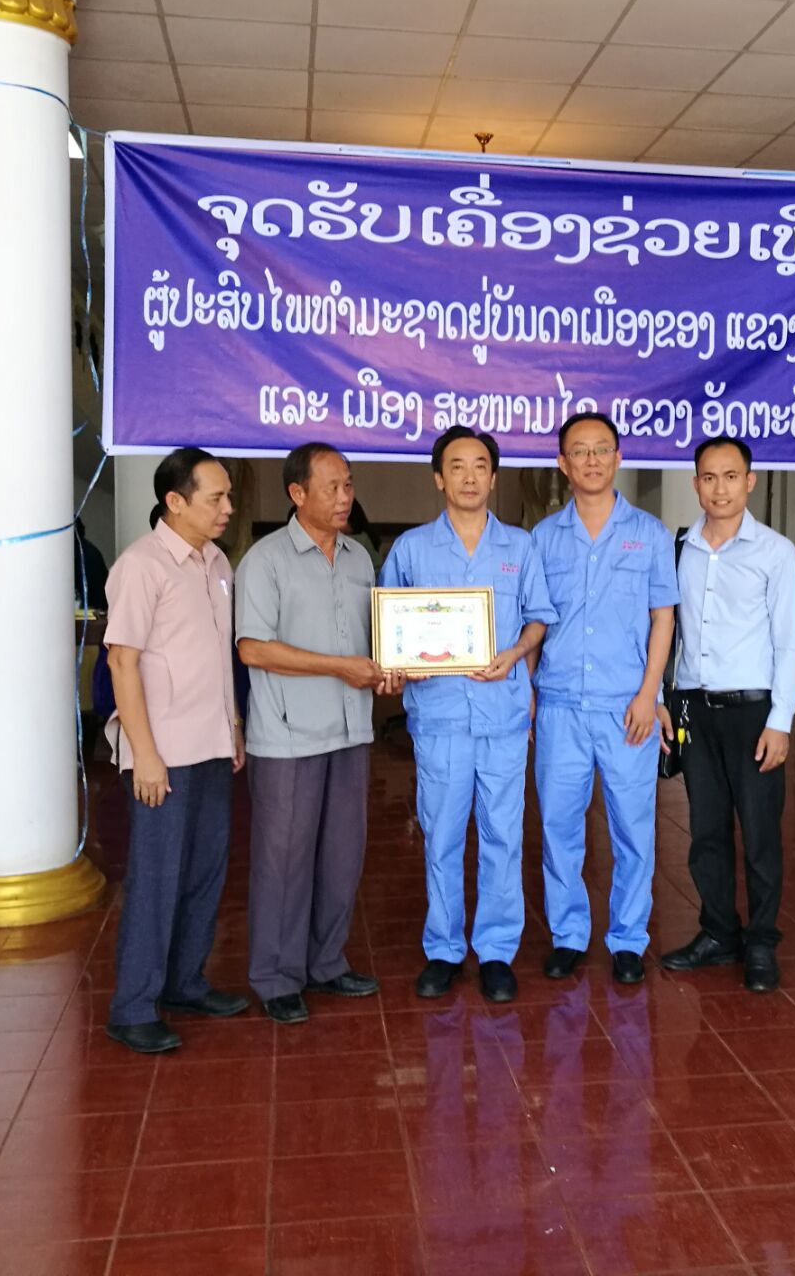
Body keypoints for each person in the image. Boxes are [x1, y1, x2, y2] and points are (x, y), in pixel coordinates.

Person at [380, 424, 556, 1004]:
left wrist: (515, 653)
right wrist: (403, 664)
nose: (470, 477)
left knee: (504, 836)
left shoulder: (519, 547)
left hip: (503, 717)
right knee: (442, 836)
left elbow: (538, 617)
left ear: (494, 476)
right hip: (440, 719)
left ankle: (497, 951)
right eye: (457, 466)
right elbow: (388, 628)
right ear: (439, 479)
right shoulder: (411, 550)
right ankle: (444, 949)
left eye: (480, 465)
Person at [235, 442, 400, 1024]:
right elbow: (253, 648)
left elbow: (373, 643)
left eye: (348, 484)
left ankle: (326, 962)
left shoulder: (359, 560)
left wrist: (391, 667)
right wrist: (339, 667)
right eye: (331, 487)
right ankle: (277, 977)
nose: (344, 496)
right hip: (289, 737)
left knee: (342, 856)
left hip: (350, 731)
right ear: (296, 493)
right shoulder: (265, 561)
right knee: (284, 862)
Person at [102, 447, 249, 1054]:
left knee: (205, 870)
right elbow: (122, 661)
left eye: (228, 496)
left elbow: (216, 654)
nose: (228, 508)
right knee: (157, 878)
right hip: (162, 752)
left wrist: (233, 725)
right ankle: (133, 1007)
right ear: (175, 502)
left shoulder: (216, 561)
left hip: (211, 743)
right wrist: (144, 753)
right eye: (216, 498)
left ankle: (185, 981)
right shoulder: (142, 566)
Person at [529, 414, 678, 985]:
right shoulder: (543, 538)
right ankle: (568, 934)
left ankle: (628, 938)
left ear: (617, 458)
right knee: (559, 827)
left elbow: (663, 618)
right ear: (562, 464)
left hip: (627, 708)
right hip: (561, 704)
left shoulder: (650, 533)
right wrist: (532, 694)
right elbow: (534, 622)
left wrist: (649, 694)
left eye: (601, 450)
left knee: (633, 829)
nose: (591, 460)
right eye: (579, 451)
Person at [660, 437, 795, 993]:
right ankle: (719, 931)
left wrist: (781, 720)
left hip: (753, 712)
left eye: (730, 476)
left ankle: (761, 939)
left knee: (761, 832)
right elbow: (665, 630)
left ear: (750, 481)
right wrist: (667, 702)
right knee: (706, 830)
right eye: (708, 477)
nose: (719, 488)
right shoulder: (679, 548)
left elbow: (789, 642)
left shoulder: (775, 552)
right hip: (694, 709)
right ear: (695, 483)